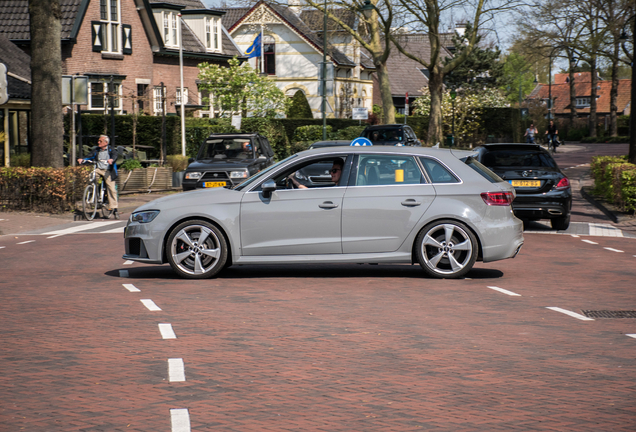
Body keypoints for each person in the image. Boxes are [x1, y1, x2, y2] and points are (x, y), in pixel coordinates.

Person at [78, 135, 120, 217]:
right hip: (98, 169)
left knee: (111, 189)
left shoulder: (111, 150)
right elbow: (89, 155)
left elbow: (115, 156)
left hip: (108, 171)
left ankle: (114, 207)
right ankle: (92, 191)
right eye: (98, 141)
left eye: (100, 141)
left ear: (106, 142)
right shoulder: (97, 150)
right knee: (90, 177)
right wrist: (82, 159)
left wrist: (111, 159)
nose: (98, 142)